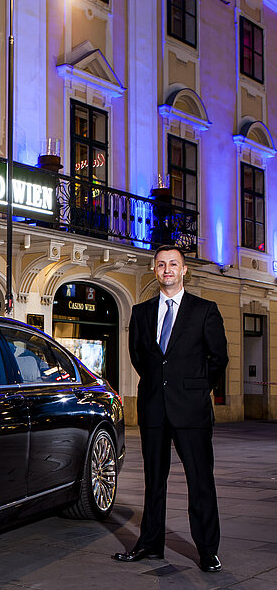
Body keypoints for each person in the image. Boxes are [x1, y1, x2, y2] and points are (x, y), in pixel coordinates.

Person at [113, 245, 228, 572]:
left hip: (191, 410)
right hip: (153, 408)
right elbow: (139, 357)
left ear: (183, 270)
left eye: (173, 264)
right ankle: (150, 544)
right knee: (154, 481)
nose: (167, 270)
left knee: (200, 480)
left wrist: (196, 387)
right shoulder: (141, 312)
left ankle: (208, 551)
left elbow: (218, 358)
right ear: (154, 269)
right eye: (161, 264)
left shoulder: (205, 310)